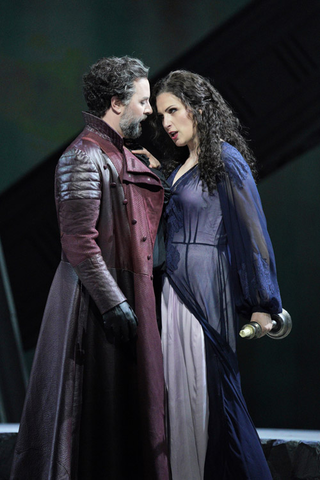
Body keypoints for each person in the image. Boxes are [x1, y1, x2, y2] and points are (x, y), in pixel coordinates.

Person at [10, 56, 170, 480]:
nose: (149, 110)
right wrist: (113, 302)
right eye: (143, 100)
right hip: (93, 303)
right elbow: (79, 243)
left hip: (120, 291)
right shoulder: (82, 156)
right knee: (90, 414)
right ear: (116, 103)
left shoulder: (117, 152)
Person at [150, 70, 282, 480]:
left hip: (205, 294)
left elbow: (254, 235)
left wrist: (263, 303)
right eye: (161, 115)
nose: (167, 123)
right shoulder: (181, 165)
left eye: (173, 111)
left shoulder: (225, 159)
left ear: (199, 109)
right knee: (180, 399)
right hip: (173, 292)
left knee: (209, 395)